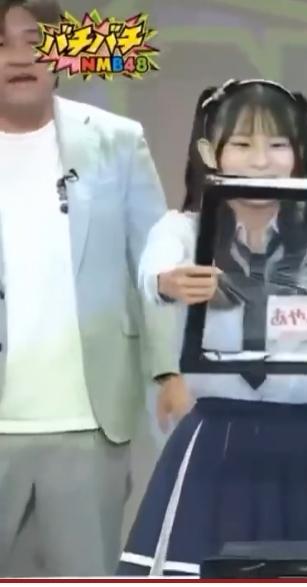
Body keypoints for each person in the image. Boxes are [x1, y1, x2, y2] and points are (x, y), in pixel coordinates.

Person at [116, 79, 307, 576]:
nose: (260, 160)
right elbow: (154, 272)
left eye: (277, 145)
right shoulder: (184, 228)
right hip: (215, 435)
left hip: (300, 436)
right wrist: (171, 281)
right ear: (209, 152)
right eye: (242, 144)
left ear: (299, 152)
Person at [0, 0, 180, 576]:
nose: (19, 56)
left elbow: (155, 259)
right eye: (0, 44)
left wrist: (170, 372)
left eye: (33, 40)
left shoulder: (116, 141)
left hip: (89, 420)